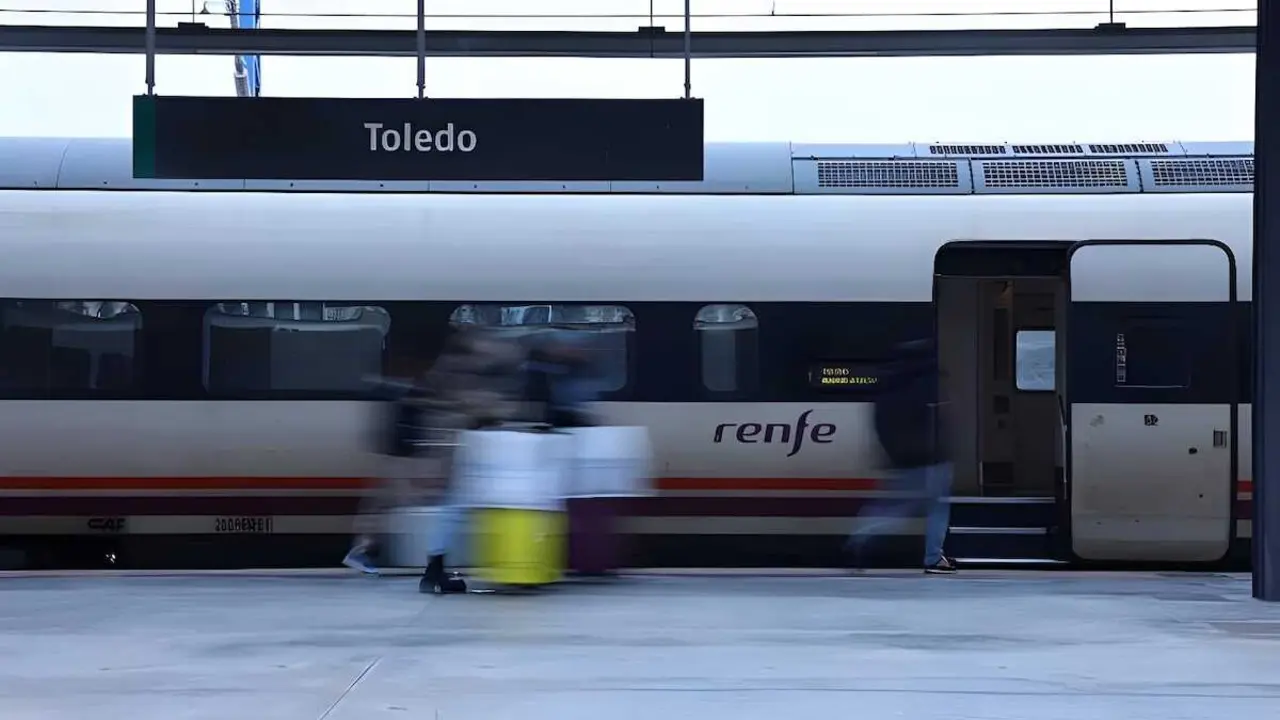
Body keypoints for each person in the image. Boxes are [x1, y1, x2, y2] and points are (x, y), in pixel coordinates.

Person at [416, 325, 525, 594]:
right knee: (454, 511)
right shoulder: (458, 372)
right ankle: (435, 572)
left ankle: (437, 569)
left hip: (457, 451)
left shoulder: (447, 370)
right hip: (460, 452)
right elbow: (480, 407)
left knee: (454, 511)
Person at [847, 339, 957, 574]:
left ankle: (864, 534)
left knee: (895, 507)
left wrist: (891, 452)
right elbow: (937, 423)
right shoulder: (929, 384)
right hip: (931, 459)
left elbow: (881, 424)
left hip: (900, 459)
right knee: (937, 507)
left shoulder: (889, 385)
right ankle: (933, 557)